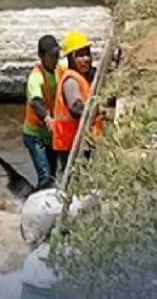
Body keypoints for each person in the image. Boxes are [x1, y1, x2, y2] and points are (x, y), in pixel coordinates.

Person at [51, 31, 104, 166]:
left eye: (87, 54)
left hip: (80, 142)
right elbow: (76, 108)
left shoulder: (83, 77)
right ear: (70, 58)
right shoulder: (71, 81)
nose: (85, 59)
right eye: (80, 55)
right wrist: (99, 110)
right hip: (70, 146)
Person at [22, 35, 62, 190]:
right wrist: (47, 118)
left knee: (53, 174)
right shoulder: (35, 77)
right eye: (51, 56)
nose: (55, 59)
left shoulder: (59, 69)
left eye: (57, 55)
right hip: (35, 135)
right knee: (45, 175)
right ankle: (38, 203)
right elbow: (36, 102)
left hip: (50, 133)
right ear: (41, 56)